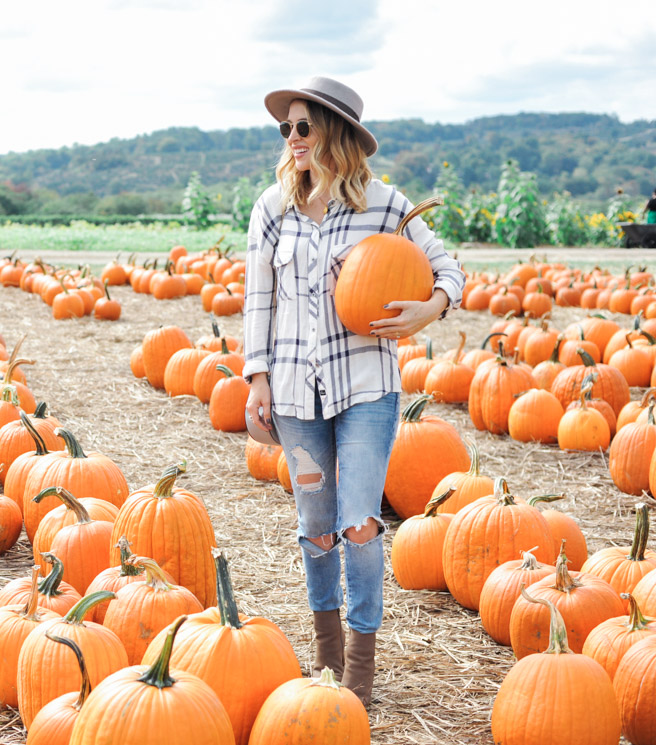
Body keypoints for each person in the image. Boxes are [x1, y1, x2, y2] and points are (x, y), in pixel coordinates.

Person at [241, 76, 464, 709]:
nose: (292, 139)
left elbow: (448, 269)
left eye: (303, 126)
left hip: (366, 387)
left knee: (360, 524)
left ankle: (360, 666)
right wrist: (255, 377)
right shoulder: (272, 208)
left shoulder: (386, 205)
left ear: (335, 133)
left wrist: (429, 308)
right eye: (285, 128)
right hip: (291, 391)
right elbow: (260, 298)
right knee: (315, 527)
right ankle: (327, 651)